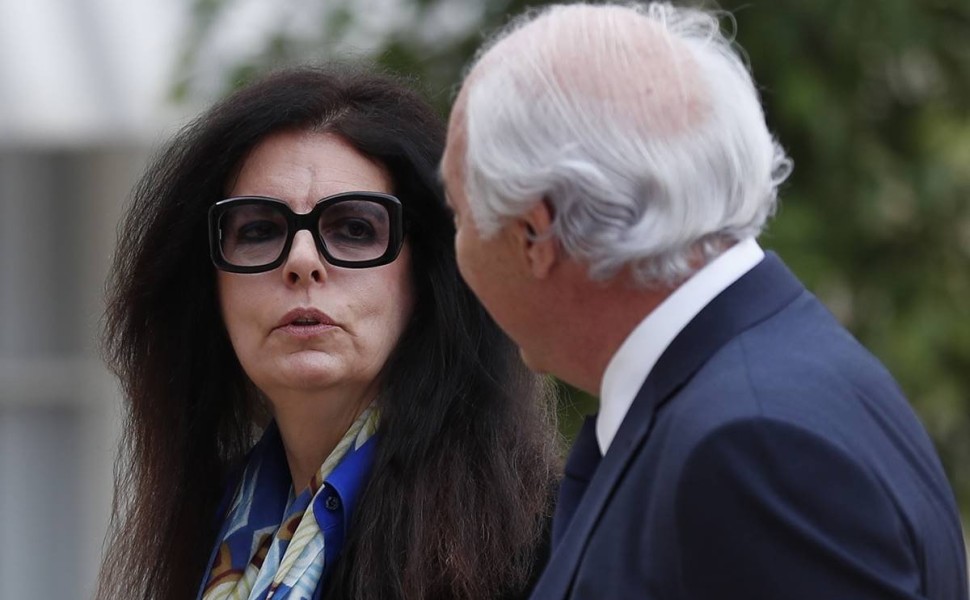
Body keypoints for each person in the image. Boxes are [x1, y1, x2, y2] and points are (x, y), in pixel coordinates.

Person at [441, 2, 969, 599]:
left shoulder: (751, 446)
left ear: (535, 233)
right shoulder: (757, 385)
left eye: (460, 216)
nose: (458, 247)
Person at [97, 64, 559, 600]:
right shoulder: (204, 529)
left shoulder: (547, 544)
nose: (301, 260)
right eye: (259, 231)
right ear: (208, 286)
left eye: (355, 229)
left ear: (428, 272)